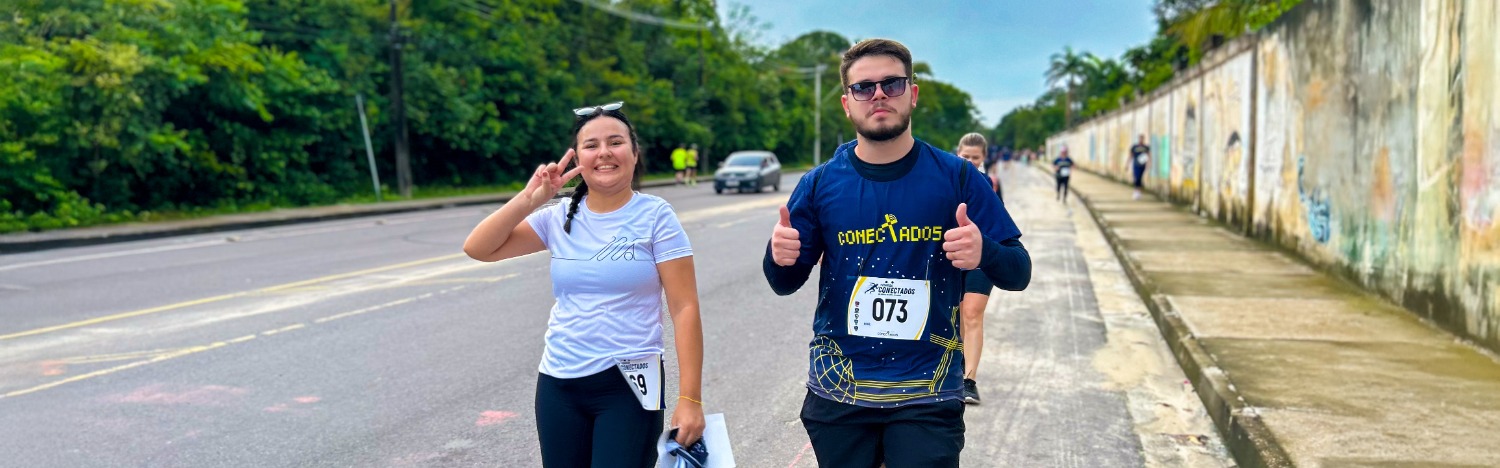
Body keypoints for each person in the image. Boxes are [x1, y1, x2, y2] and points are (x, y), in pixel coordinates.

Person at [764, 39, 1032, 468]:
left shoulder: (958, 177)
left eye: (892, 83)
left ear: (913, 93)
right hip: (839, 393)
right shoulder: (819, 184)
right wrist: (778, 256)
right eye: (864, 87)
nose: (879, 95)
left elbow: (1019, 271)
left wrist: (985, 252)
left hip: (928, 393)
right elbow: (783, 283)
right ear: (847, 104)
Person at [462, 102, 705, 467]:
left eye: (615, 142)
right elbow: (478, 248)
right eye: (591, 145)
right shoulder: (558, 217)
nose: (604, 152)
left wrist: (691, 399)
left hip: (628, 384)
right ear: (578, 158)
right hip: (558, 384)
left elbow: (684, 309)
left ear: (634, 154)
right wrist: (529, 200)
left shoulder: (656, 217)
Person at [953, 132, 1001, 406]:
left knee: (972, 313)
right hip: (952, 255)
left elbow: (1001, 223)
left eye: (975, 158)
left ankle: (969, 381)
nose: (970, 162)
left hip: (982, 254)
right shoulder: (946, 181)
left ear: (984, 159)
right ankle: (953, 367)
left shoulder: (990, 184)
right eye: (965, 157)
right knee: (953, 313)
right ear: (957, 154)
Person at [1130, 134, 1150, 200]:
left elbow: (1148, 156)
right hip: (1135, 165)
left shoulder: (1146, 147)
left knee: (1140, 177)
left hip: (1142, 165)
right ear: (1138, 139)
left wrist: (1148, 164)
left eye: (1142, 139)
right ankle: (1136, 191)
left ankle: (1139, 191)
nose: (1141, 140)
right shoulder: (1134, 147)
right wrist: (1127, 164)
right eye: (1140, 138)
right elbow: (1131, 155)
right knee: (1136, 177)